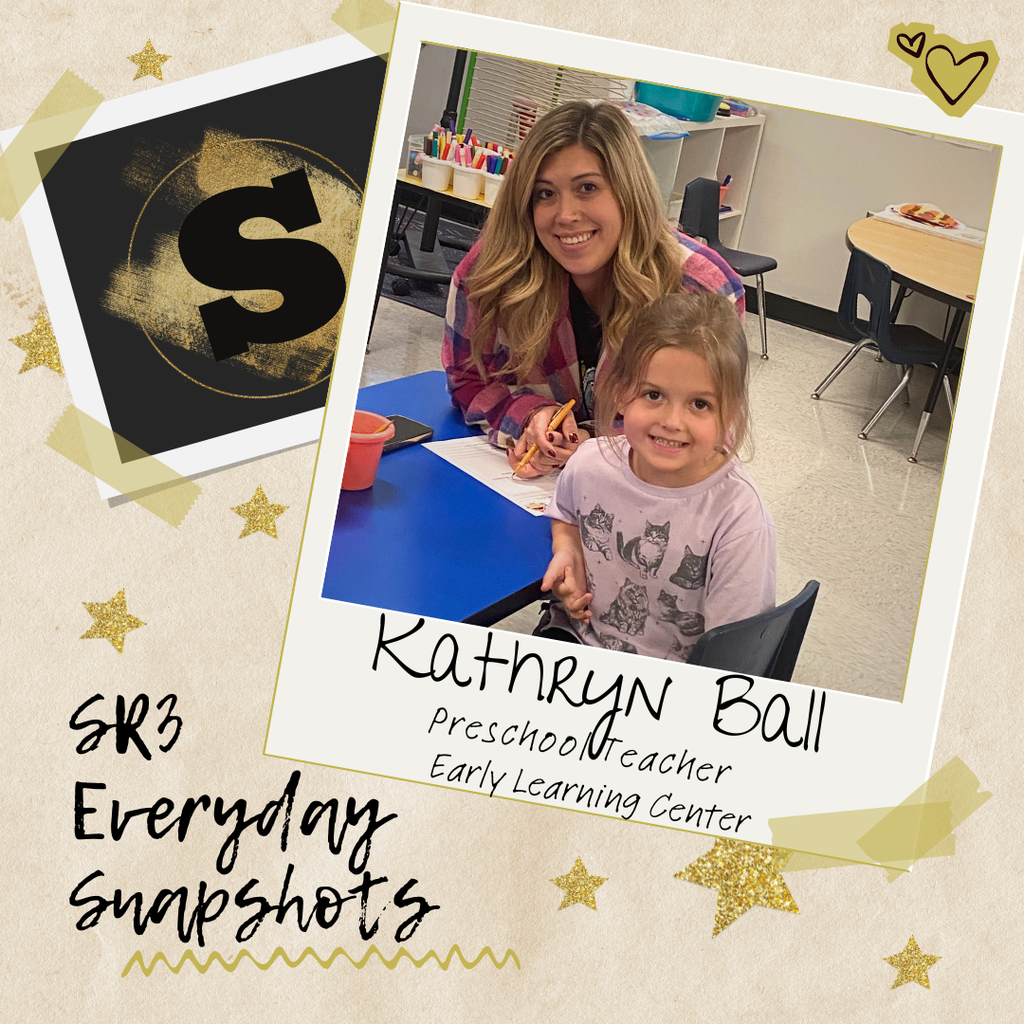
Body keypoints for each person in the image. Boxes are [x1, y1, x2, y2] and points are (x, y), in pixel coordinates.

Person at [442, 100, 745, 478]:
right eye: (545, 193)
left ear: (626, 192)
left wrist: (594, 447)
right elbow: (469, 379)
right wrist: (533, 417)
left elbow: (710, 424)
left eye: (587, 188)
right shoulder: (493, 270)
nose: (566, 215)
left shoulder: (701, 289)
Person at [538, 290, 776, 662]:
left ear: (729, 414)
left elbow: (734, 653)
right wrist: (567, 548)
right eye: (653, 395)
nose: (672, 422)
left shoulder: (739, 517)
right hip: (580, 640)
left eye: (700, 404)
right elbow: (566, 514)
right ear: (619, 392)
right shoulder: (588, 463)